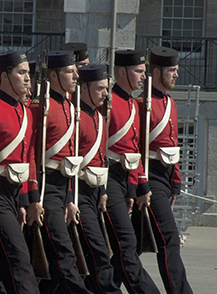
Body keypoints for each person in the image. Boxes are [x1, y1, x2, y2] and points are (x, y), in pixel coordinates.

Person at [29, 50, 93, 294]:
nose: (76, 74)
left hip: (63, 187)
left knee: (54, 266)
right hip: (44, 188)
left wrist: (70, 198)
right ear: (53, 76)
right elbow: (31, 155)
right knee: (63, 254)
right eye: (69, 71)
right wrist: (34, 198)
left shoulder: (70, 106)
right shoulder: (40, 106)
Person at [138, 46, 193, 294]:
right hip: (147, 176)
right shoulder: (142, 103)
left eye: (176, 70)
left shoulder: (170, 102)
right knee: (168, 237)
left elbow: (173, 144)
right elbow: (134, 146)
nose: (176, 75)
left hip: (164, 176)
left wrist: (176, 180)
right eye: (172, 70)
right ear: (156, 71)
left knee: (133, 244)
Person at [106, 49, 160, 293]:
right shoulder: (108, 103)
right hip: (106, 175)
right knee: (124, 242)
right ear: (121, 72)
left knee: (126, 246)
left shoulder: (133, 104)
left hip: (124, 178)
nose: (143, 76)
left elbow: (134, 149)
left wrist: (139, 185)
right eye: (138, 71)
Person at [0, 50, 41, 294]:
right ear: (4, 77)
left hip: (14, 193)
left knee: (6, 264)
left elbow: (28, 158)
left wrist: (26, 199)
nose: (28, 79)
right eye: (21, 73)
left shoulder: (26, 112)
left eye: (28, 73)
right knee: (18, 258)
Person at [75, 65, 123, 294]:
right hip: (78, 192)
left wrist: (103, 191)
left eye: (107, 88)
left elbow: (101, 158)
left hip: (95, 193)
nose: (106, 93)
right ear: (84, 88)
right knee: (98, 252)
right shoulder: (76, 117)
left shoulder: (100, 117)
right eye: (100, 88)